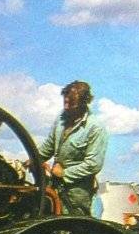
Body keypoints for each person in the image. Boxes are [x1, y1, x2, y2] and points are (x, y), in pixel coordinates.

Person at [37, 80, 108, 215]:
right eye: (65, 102)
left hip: (76, 192)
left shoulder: (95, 128)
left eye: (71, 104)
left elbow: (93, 164)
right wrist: (35, 158)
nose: (67, 107)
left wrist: (65, 173)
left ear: (83, 104)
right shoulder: (62, 119)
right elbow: (50, 145)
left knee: (74, 229)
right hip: (55, 185)